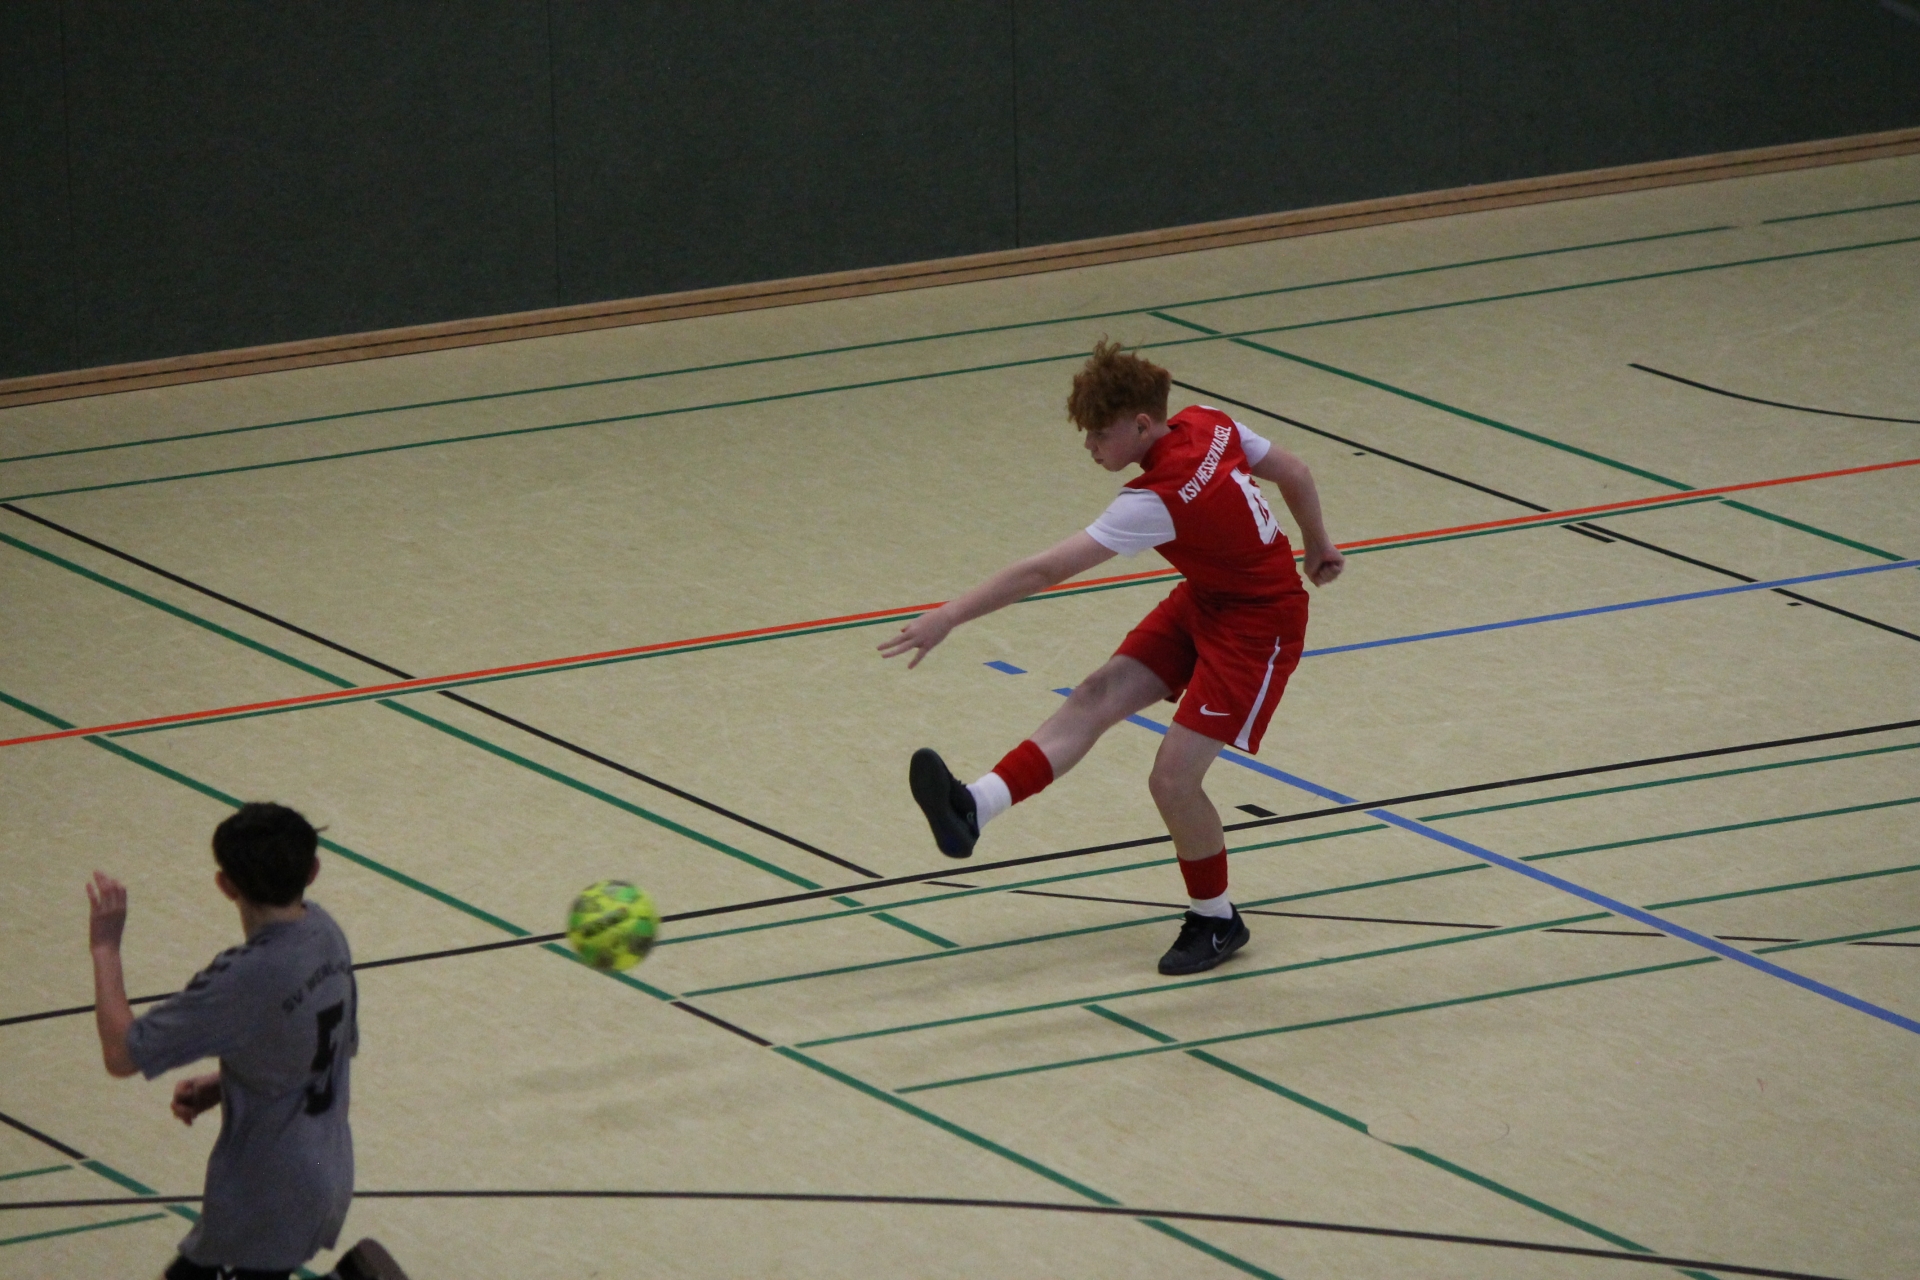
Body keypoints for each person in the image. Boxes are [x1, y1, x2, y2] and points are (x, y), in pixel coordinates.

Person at [880, 341, 1344, 975]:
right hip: (1207, 598)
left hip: (1259, 626)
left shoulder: (1155, 498)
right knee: (1095, 695)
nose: (1090, 446)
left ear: (1142, 424)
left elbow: (1044, 570)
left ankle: (1216, 920)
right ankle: (975, 806)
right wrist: (1318, 544)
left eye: (1099, 434)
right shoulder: (1210, 421)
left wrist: (950, 615)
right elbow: (1295, 471)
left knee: (1173, 780)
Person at [86, 801, 408, 1280]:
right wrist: (227, 1082)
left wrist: (105, 947)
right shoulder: (325, 934)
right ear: (313, 872)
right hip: (324, 1172)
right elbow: (319, 1047)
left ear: (225, 885)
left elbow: (121, 1053)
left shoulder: (241, 981)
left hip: (264, 1197)